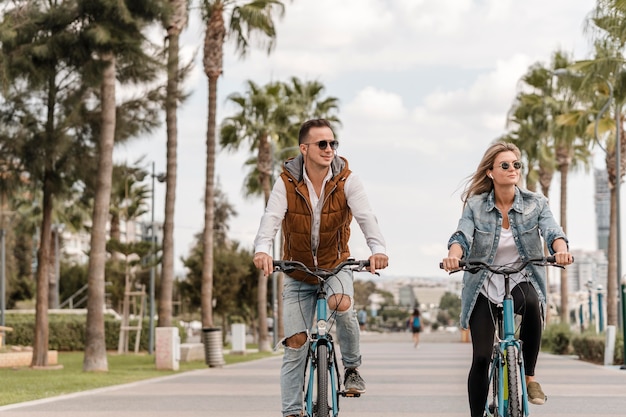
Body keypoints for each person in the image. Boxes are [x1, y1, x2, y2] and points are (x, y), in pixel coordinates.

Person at [253, 118, 389, 417]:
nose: (330, 149)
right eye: (322, 144)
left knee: (341, 303)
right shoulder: (286, 182)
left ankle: (351, 367)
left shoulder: (347, 180)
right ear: (304, 149)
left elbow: (366, 217)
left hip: (335, 265)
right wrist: (262, 250)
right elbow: (271, 219)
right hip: (297, 270)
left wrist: (377, 250)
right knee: (296, 342)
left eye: (333, 143)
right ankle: (292, 411)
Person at [440, 141, 573, 417]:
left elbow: (552, 231)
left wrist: (560, 250)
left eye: (516, 165)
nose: (512, 169)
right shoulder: (476, 206)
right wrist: (454, 255)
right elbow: (462, 235)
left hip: (520, 279)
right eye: (505, 165)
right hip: (485, 286)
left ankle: (529, 378)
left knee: (533, 302)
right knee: (480, 358)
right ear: (490, 172)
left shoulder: (536, 203)